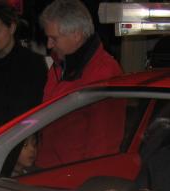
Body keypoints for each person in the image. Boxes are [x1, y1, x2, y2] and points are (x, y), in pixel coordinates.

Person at [35, 0, 124, 168]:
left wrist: (86, 180)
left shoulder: (104, 73)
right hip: (50, 170)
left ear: (76, 35)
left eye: (54, 38)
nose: (49, 44)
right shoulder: (60, 65)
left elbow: (103, 144)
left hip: (73, 176)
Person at [0, 2, 47, 143]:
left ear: (12, 27)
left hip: (21, 141)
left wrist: (30, 142)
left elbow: (36, 109)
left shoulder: (32, 63)